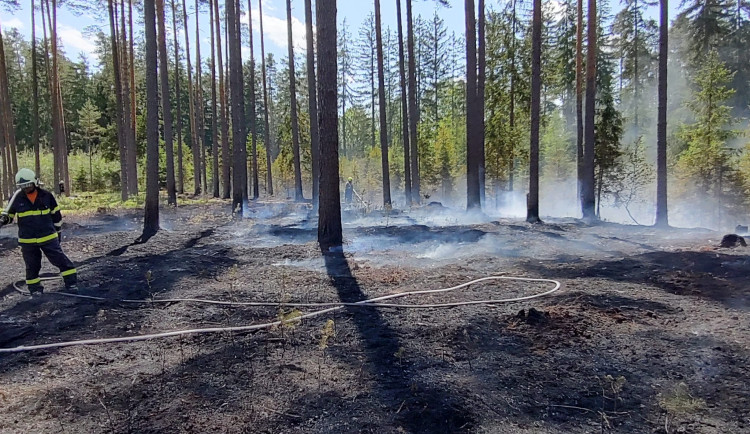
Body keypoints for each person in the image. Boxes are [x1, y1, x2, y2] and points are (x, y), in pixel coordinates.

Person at [0, 168, 78, 296]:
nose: (26, 189)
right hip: (28, 241)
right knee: (32, 267)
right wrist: (3, 220)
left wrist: (58, 232)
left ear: (35, 182)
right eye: (23, 187)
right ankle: (35, 290)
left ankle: (71, 284)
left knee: (61, 260)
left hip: (48, 237)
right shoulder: (16, 198)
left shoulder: (46, 196)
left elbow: (56, 216)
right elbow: (9, 216)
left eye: (28, 185)